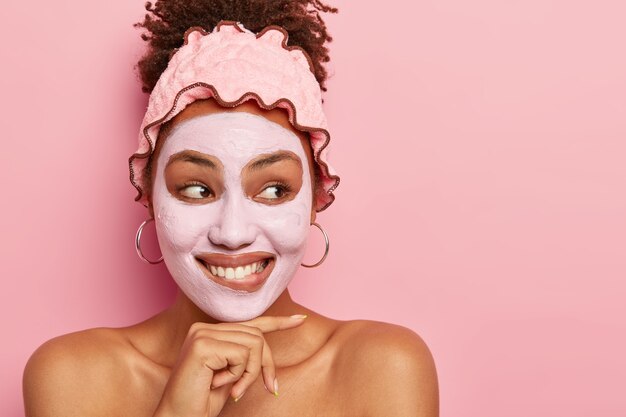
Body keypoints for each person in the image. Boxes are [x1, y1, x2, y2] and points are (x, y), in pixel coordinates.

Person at [23, 1, 439, 416]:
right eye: (197, 189)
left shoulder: (383, 368)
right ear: (148, 196)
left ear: (316, 199)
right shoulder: (73, 375)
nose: (234, 232)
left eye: (274, 190)